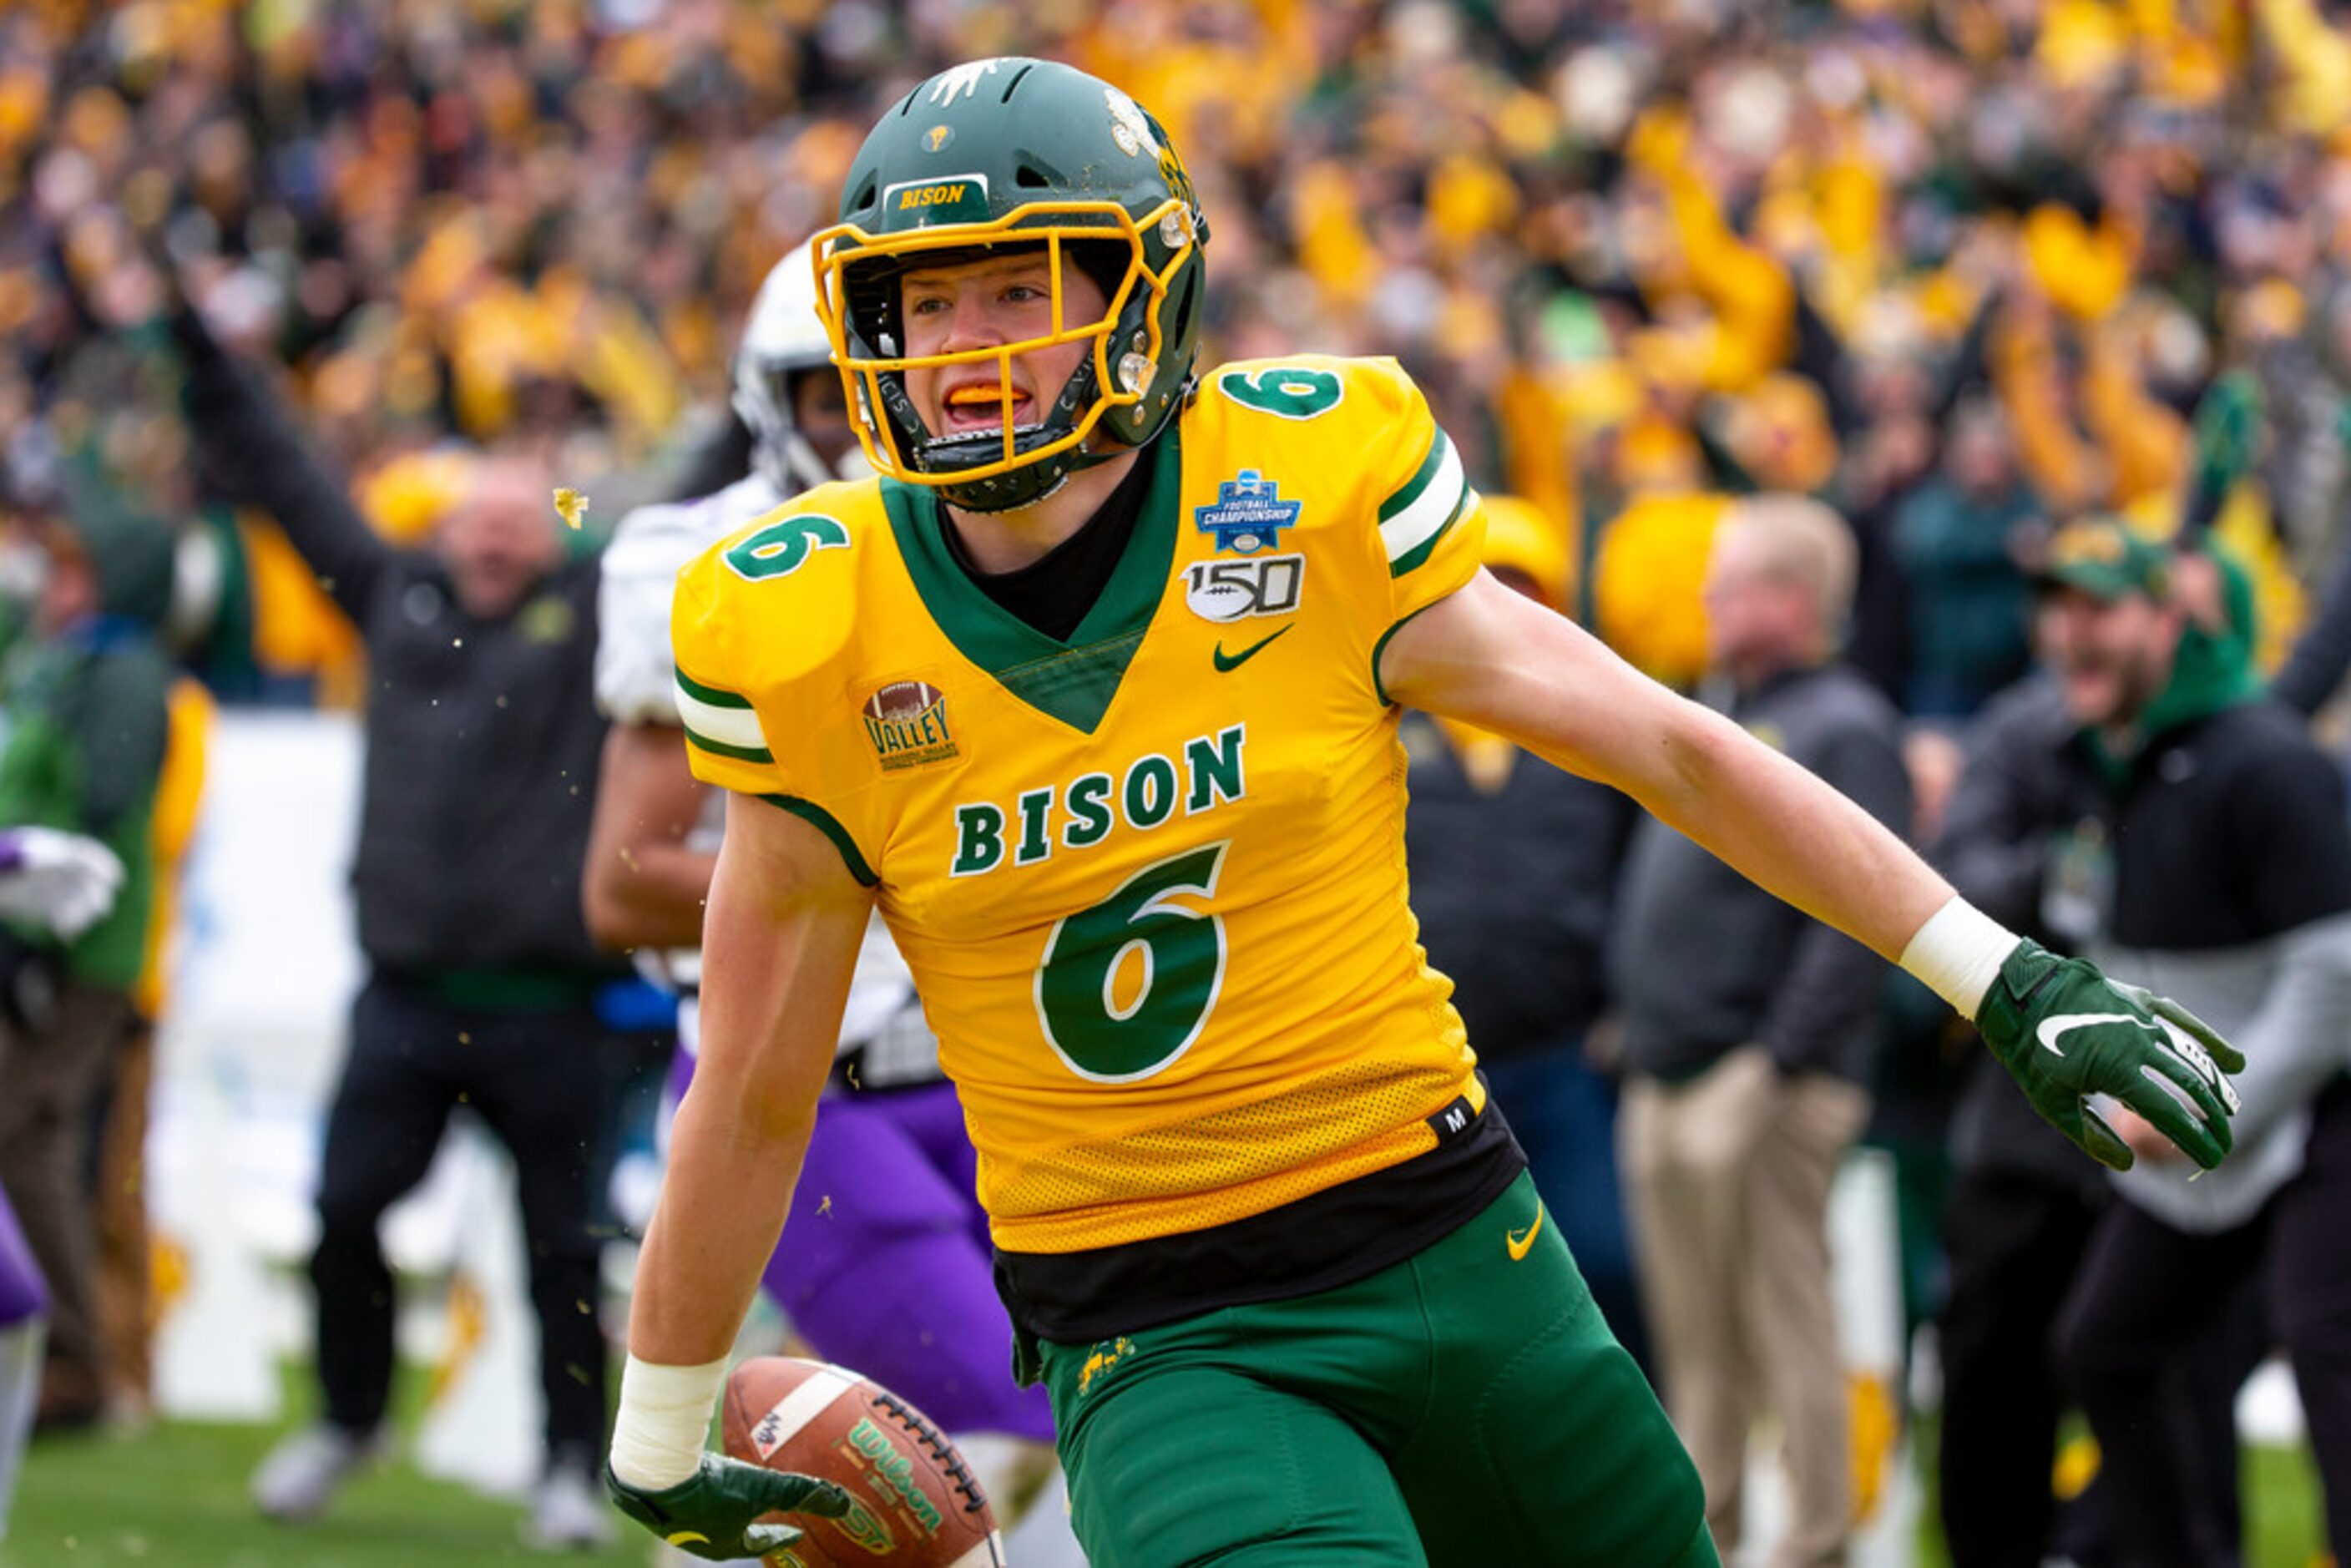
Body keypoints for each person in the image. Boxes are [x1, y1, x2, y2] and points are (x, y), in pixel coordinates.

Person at [604, 58, 2242, 1568]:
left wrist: (1996, 973)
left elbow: (1669, 750)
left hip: (1458, 1246)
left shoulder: (1301, 491)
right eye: (922, 301)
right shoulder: (815, 626)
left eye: (1014, 290)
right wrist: (662, 1423)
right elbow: (750, 1086)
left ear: (1137, 292)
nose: (963, 345)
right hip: (1157, 1326)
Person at [582, 242, 1062, 1522]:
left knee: (1087, 1416)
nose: (862, 430)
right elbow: (626, 882)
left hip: (993, 1081)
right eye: (828, 395)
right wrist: (871, 888)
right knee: (989, 1430)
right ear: (763, 401)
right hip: (811, 1090)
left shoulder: (1023, 550)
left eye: (887, 388)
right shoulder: (716, 561)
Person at [162, 293, 624, 1548]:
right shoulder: (393, 594)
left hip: (548, 1007)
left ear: (546, 542)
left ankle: (570, 1466)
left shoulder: (587, 613)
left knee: (561, 1258)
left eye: (516, 524)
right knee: (344, 1217)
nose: (490, 540)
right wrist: (202, 352)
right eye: (475, 519)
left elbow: (670, 493)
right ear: (445, 527)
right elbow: (283, 481)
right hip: (407, 996)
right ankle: (349, 1417)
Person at [2020, 519, 2351, 1566]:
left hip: (2317, 1110)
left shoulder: (2265, 761)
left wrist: (2210, 1103)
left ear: (2170, 619)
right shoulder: (2090, 762)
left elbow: (2335, 971)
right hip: (2190, 1128)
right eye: (2056, 608)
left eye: (2099, 607)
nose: (2070, 633)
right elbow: (2098, 942)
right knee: (2100, 1348)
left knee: (2327, 1354)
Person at [1609, 493, 1910, 1568]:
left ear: (1789, 599)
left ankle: (1817, 1540)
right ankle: (1715, 1532)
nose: (1702, 596)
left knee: (1787, 1323)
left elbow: (1859, 920)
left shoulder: (1843, 723)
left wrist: (1774, 1060)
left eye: (1725, 579)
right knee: (1695, 1339)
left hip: (1766, 1081)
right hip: (1668, 1069)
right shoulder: (1720, 703)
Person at [1395, 495, 1648, 1368]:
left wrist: (1624, 1001)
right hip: (1431, 1070)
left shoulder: (1586, 730)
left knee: (1608, 1263)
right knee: (1450, 1296)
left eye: (1519, 584)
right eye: (1479, 581)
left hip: (1563, 1052)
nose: (1498, 602)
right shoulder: (1387, 721)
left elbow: (1637, 875)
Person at [0, 478, 172, 1435]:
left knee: (26, 1136)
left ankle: (72, 1358)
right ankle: (66, 1357)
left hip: (77, 941)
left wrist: (29, 934)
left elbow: (96, 812)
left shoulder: (123, 669)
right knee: (35, 1142)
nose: (53, 586)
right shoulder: (62, 657)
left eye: (72, 568)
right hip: (34, 925)